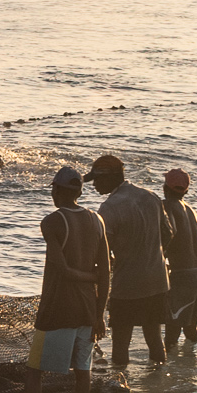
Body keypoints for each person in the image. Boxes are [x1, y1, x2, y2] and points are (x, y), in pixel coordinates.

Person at [24, 166, 111, 393]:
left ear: (57, 191)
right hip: (88, 310)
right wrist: (99, 315)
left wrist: (88, 277)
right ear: (79, 192)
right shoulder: (97, 220)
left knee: (34, 371)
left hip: (57, 309)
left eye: (54, 189)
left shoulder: (52, 222)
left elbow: (62, 269)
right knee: (83, 371)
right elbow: (106, 272)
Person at [85, 154, 173, 366]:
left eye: (96, 179)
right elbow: (169, 234)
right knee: (154, 338)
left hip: (127, 286)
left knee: (121, 343)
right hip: (157, 280)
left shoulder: (109, 208)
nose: (94, 185)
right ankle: (159, 380)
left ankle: (120, 380)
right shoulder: (150, 196)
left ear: (110, 178)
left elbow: (102, 253)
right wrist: (152, 255)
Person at [162, 168, 197, 349]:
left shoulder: (167, 206)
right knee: (190, 329)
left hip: (184, 276)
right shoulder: (191, 210)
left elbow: (169, 234)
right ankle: (191, 362)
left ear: (165, 187)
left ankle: (166, 366)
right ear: (186, 190)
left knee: (172, 332)